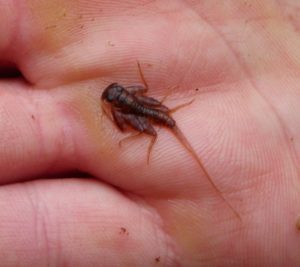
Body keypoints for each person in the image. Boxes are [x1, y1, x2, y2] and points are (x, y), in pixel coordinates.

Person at [0, 1, 299, 266]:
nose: (117, 93)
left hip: (153, 114)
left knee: (157, 129)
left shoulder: (121, 104)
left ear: (117, 95)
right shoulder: (122, 104)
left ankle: (169, 125)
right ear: (118, 96)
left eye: (115, 92)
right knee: (159, 122)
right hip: (150, 111)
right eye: (117, 93)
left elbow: (132, 105)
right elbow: (134, 102)